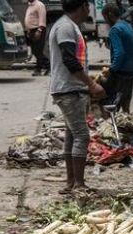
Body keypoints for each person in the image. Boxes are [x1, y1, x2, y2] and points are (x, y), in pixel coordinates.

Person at [49, 0, 106, 195]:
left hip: (71, 89)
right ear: (82, 6)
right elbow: (69, 60)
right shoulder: (65, 27)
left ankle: (71, 182)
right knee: (82, 135)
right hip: (69, 89)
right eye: (88, 6)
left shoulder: (68, 25)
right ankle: (79, 184)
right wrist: (91, 84)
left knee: (72, 135)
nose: (88, 10)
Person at [102, 4, 133, 112]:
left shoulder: (115, 30)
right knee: (126, 104)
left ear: (109, 15)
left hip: (120, 72)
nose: (105, 21)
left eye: (105, 18)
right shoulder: (127, 26)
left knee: (113, 104)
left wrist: (112, 69)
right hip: (131, 70)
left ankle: (113, 126)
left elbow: (120, 53)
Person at [24, 0, 48, 75]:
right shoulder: (30, 5)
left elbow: (42, 18)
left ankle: (39, 69)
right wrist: (28, 30)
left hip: (38, 29)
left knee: (38, 50)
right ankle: (47, 65)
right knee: (34, 51)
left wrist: (39, 30)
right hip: (31, 30)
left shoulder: (39, 5)